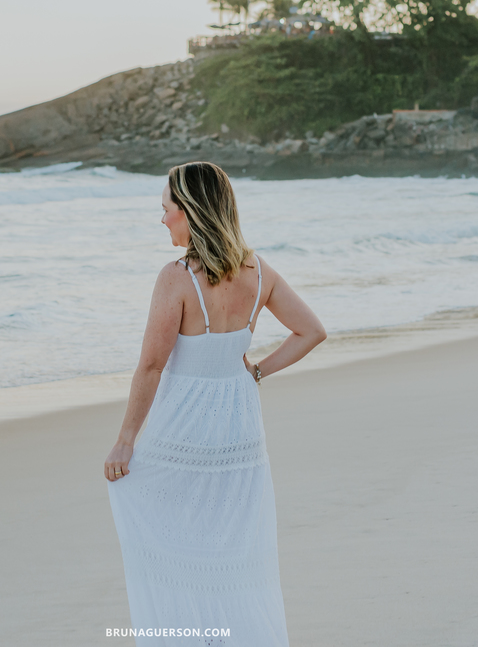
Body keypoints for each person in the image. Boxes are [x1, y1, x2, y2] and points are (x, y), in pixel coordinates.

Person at [105, 161, 326, 646]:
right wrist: (257, 371)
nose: (162, 220)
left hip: (185, 425)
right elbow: (312, 331)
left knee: (173, 537)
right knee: (235, 551)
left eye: (166, 210)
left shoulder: (177, 278)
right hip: (240, 428)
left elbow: (150, 366)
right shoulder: (258, 271)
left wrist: (125, 441)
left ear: (190, 212)